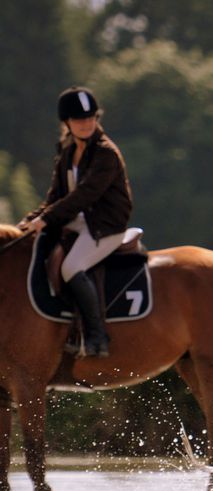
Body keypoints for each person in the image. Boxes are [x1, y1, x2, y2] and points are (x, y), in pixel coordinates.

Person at [19, 86, 132, 357]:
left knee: (71, 267)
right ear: (67, 123)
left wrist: (48, 219)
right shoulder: (68, 153)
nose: (87, 124)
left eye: (91, 118)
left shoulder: (106, 153)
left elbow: (83, 196)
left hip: (105, 226)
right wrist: (27, 223)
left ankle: (96, 336)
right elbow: (55, 197)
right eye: (80, 120)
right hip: (82, 222)